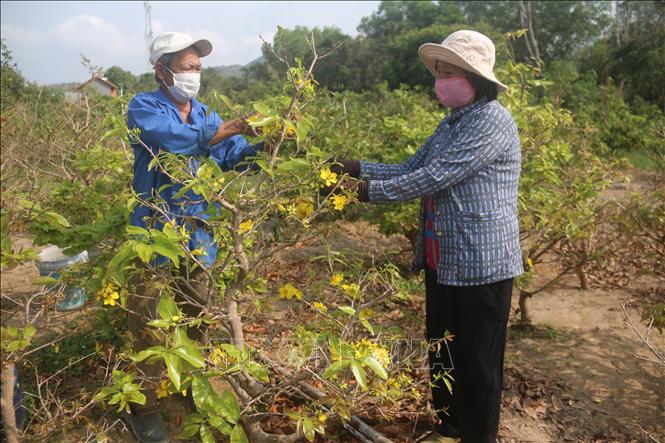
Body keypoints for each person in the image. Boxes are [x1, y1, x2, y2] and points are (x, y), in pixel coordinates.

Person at [327, 30, 523, 443]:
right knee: (443, 351)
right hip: (445, 259)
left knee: (478, 361)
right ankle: (450, 428)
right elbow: (410, 166)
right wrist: (356, 167)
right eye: (440, 72)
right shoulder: (452, 122)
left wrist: (361, 192)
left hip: (482, 264)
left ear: (476, 78)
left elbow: (437, 176)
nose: (441, 80)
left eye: (451, 72)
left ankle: (477, 436)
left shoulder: (492, 120)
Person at [124, 32, 260, 443]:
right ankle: (143, 409)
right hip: (154, 231)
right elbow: (173, 142)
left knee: (196, 318)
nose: (194, 74)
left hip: (200, 234)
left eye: (198, 67)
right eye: (187, 67)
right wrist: (223, 132)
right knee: (148, 324)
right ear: (161, 70)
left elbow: (233, 157)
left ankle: (187, 391)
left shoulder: (204, 113)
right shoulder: (144, 106)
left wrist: (266, 145)